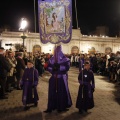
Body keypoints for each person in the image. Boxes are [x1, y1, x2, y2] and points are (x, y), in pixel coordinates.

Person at [44, 45, 72, 113]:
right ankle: (51, 107)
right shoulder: (51, 59)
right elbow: (48, 67)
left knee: (61, 93)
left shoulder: (65, 59)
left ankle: (61, 106)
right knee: (51, 93)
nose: (56, 52)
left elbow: (67, 67)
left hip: (61, 78)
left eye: (57, 50)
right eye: (55, 50)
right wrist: (53, 69)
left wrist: (59, 67)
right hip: (53, 77)